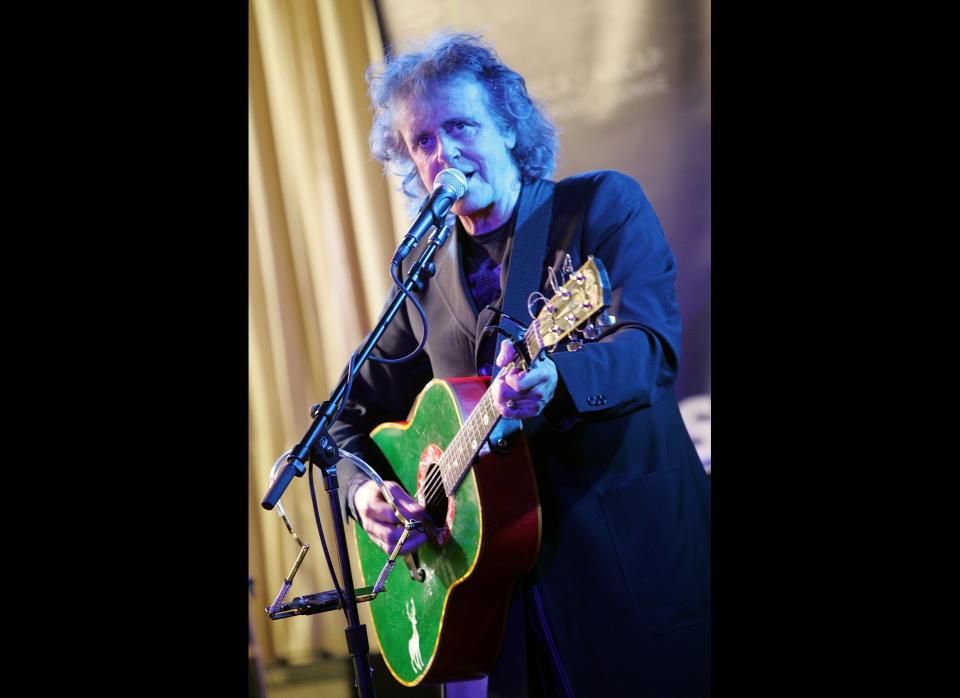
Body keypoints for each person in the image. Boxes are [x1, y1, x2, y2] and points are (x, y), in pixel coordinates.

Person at [330, 32, 710, 697]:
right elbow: (347, 420)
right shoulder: (421, 284)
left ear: (507, 126)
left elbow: (651, 348)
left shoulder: (598, 208)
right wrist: (366, 495)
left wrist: (561, 378)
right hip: (503, 611)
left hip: (633, 577)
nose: (442, 152)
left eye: (460, 125)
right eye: (422, 141)